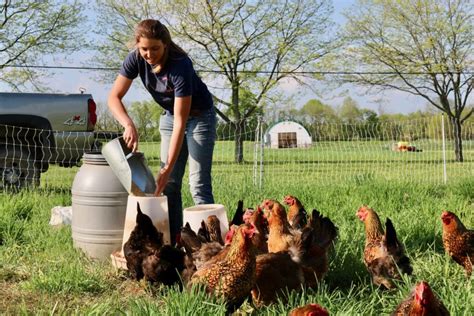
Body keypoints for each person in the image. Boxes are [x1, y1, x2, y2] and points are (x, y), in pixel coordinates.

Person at [108, 19, 216, 244]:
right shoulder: (136, 59)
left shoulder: (180, 65)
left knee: (198, 184)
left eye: (155, 48)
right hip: (170, 116)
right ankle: (176, 242)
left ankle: (209, 249)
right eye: (144, 48)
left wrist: (167, 166)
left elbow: (181, 121)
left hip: (199, 118)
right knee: (169, 185)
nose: (149, 54)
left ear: (165, 45)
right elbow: (113, 97)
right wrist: (128, 123)